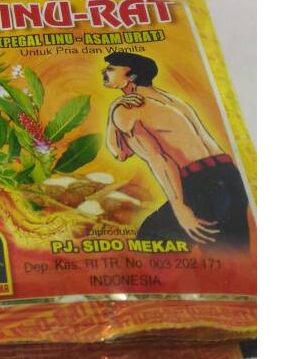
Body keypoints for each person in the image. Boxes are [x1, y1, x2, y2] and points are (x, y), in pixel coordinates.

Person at [101, 52, 251, 249]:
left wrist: (180, 208)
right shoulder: (171, 100)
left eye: (111, 69)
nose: (104, 72)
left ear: (131, 76)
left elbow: (155, 159)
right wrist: (113, 110)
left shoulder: (128, 109)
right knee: (230, 254)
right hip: (230, 176)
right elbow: (125, 152)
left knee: (150, 240)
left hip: (201, 183)